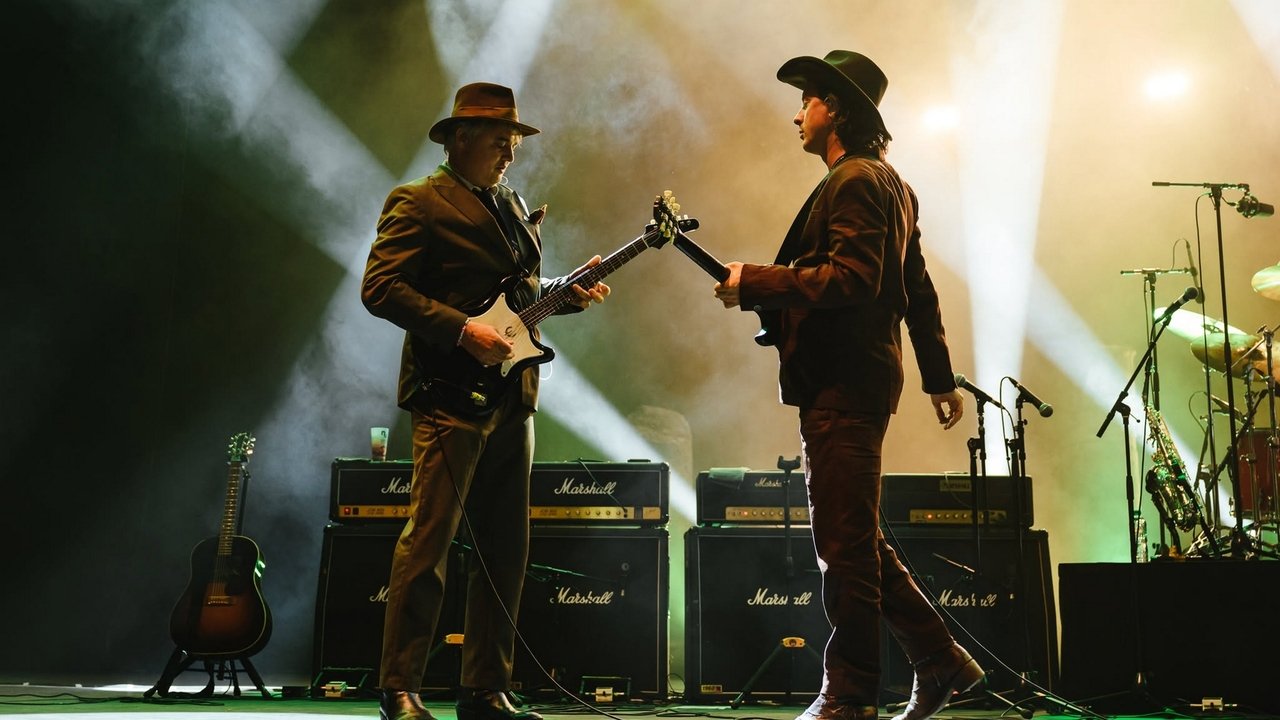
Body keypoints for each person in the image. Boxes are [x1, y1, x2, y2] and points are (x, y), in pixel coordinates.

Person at [712, 51, 984, 720]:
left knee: (842, 548)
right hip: (858, 376)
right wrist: (939, 376)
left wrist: (758, 282)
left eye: (806, 99)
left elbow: (854, 278)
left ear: (835, 107)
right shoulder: (890, 183)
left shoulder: (857, 181)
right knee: (855, 537)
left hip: (844, 379)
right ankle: (940, 662)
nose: (796, 113)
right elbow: (915, 290)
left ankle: (851, 694)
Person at [361, 82, 609, 720]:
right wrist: (458, 329)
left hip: (512, 394)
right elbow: (380, 287)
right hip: (448, 392)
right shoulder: (418, 201)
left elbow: (517, 294)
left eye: (515, 142)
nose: (511, 153)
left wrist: (565, 290)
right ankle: (399, 687)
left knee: (505, 546)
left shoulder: (511, 203)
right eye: (500, 141)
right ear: (460, 139)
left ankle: (485, 688)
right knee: (431, 540)